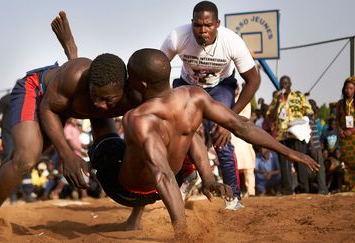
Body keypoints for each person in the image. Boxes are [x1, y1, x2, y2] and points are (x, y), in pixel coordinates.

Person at [89, 48, 318, 239]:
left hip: (130, 191)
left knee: (102, 129)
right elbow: (241, 126)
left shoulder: (137, 119)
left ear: (140, 82)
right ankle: (197, 183)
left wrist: (182, 233)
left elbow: (162, 175)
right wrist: (287, 151)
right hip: (173, 182)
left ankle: (73, 53)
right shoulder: (194, 96)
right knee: (185, 131)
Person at [0, 11, 143, 239]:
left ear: (122, 90)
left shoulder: (133, 98)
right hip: (37, 92)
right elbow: (47, 108)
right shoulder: (74, 79)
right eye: (95, 96)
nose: (101, 105)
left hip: (63, 103)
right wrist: (67, 156)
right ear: (87, 84)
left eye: (108, 100)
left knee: (114, 154)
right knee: (25, 158)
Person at [160, 1, 260, 207]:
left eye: (208, 25)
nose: (202, 31)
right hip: (187, 85)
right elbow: (158, 67)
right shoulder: (177, 37)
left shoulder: (231, 41)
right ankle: (189, 174)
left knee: (221, 137)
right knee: (182, 133)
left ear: (217, 24)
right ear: (191, 24)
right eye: (198, 25)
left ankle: (233, 197)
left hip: (220, 87)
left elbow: (253, 80)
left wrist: (229, 120)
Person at [267, 75, 313, 195]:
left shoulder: (299, 96)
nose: (284, 86)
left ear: (290, 84)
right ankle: (287, 190)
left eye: (286, 83)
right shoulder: (276, 98)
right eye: (282, 84)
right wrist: (277, 102)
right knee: (284, 164)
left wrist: (303, 121)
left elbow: (310, 112)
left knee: (300, 162)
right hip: (281, 136)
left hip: (297, 135)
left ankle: (303, 189)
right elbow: (270, 117)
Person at [335, 76, 355, 191]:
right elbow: (337, 120)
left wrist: (351, 130)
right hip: (345, 139)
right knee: (346, 163)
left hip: (354, 137)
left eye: (351, 88)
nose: (349, 91)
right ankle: (349, 185)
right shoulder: (340, 104)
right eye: (346, 88)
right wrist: (340, 130)